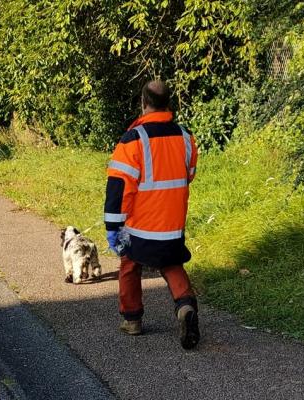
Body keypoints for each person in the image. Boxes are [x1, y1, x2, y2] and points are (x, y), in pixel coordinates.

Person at [104, 80, 200, 349]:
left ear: (143, 103)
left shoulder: (133, 140)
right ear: (169, 103)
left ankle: (132, 320)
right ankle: (185, 307)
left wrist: (113, 226)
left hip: (140, 228)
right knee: (171, 264)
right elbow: (188, 174)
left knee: (130, 264)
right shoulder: (185, 137)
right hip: (172, 225)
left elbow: (118, 187)